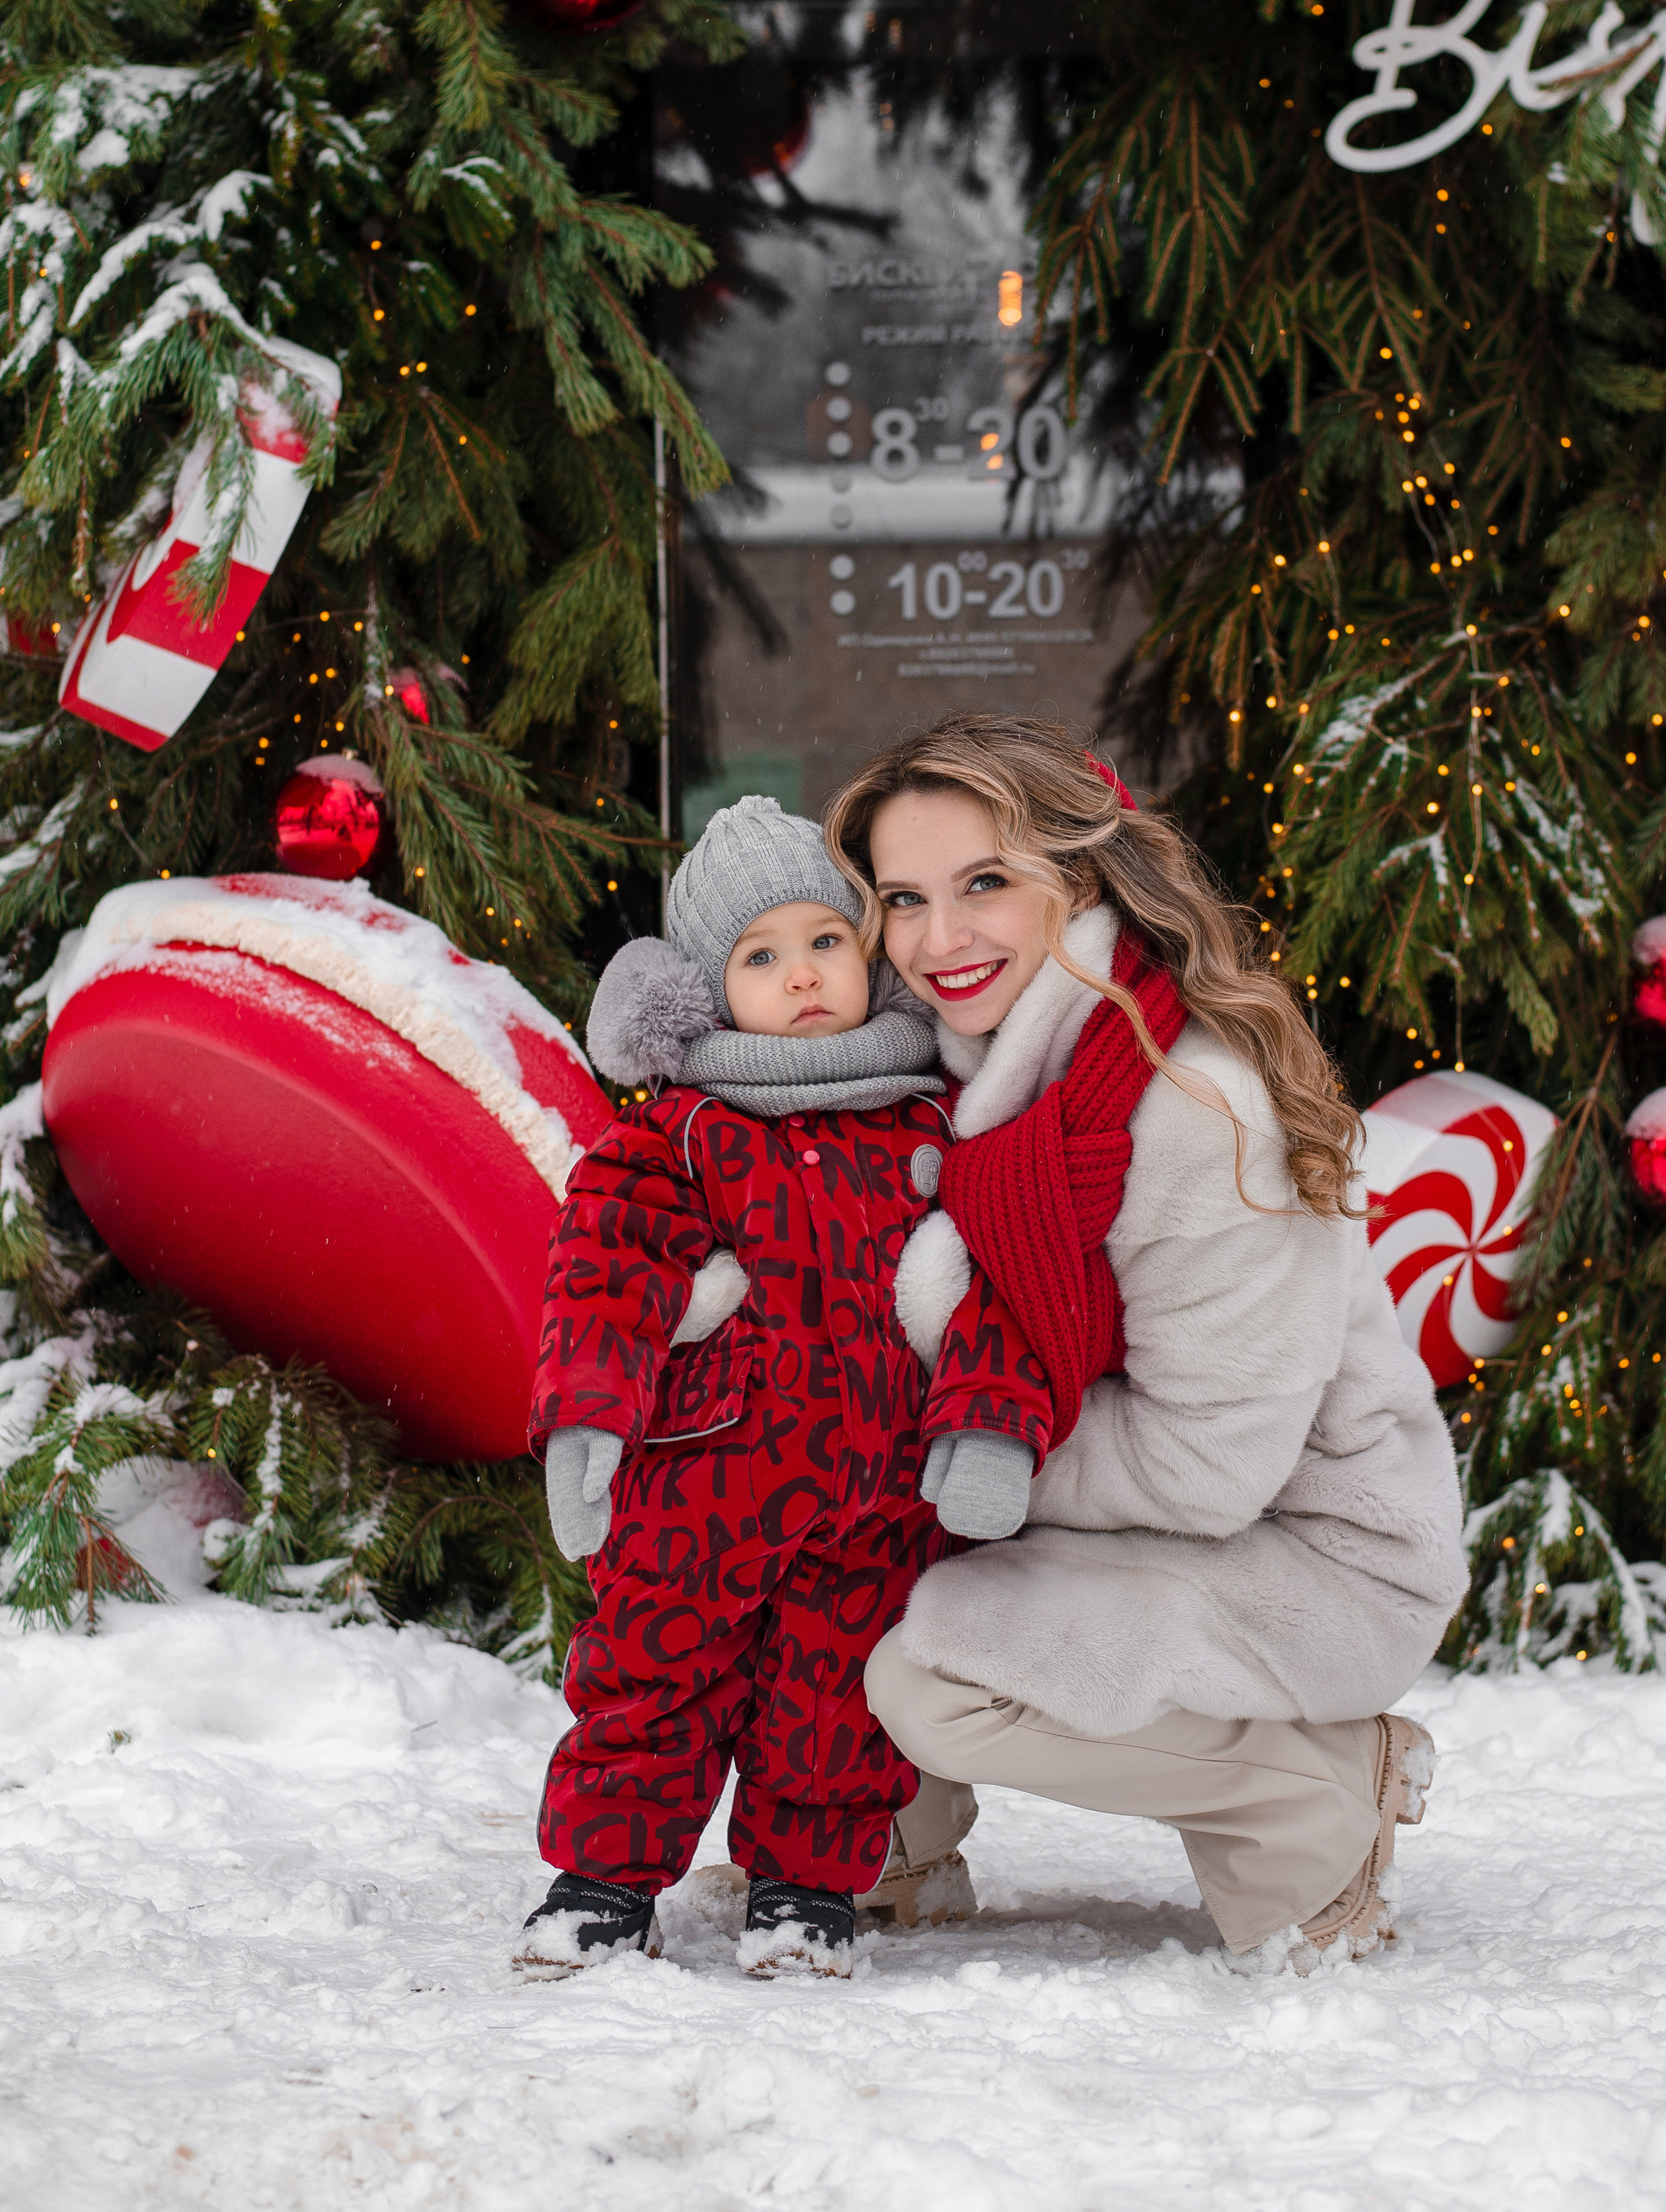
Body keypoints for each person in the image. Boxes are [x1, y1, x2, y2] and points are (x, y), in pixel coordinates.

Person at [826, 715, 1470, 1976]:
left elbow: (1207, 1467)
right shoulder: (966, 1066)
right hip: (1153, 1510)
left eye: (984, 882)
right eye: (903, 898)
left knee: (935, 1674)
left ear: (1080, 879)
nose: (937, 939)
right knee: (820, 1533)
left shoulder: (1192, 1106)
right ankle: (879, 1838)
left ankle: (1317, 1797)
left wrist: (939, 1452)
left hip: (1313, 1553)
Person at [519, 792, 985, 1979]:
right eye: (761, 956)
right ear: (708, 991)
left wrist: (985, 1428)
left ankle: (805, 1890)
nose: (803, 974)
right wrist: (587, 1418)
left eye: (825, 939)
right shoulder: (681, 1132)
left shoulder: (927, 1120)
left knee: (835, 1700)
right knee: (653, 1677)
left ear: (868, 951)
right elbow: (605, 1268)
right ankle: (604, 1881)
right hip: (702, 1489)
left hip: (875, 1497)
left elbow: (980, 1287)